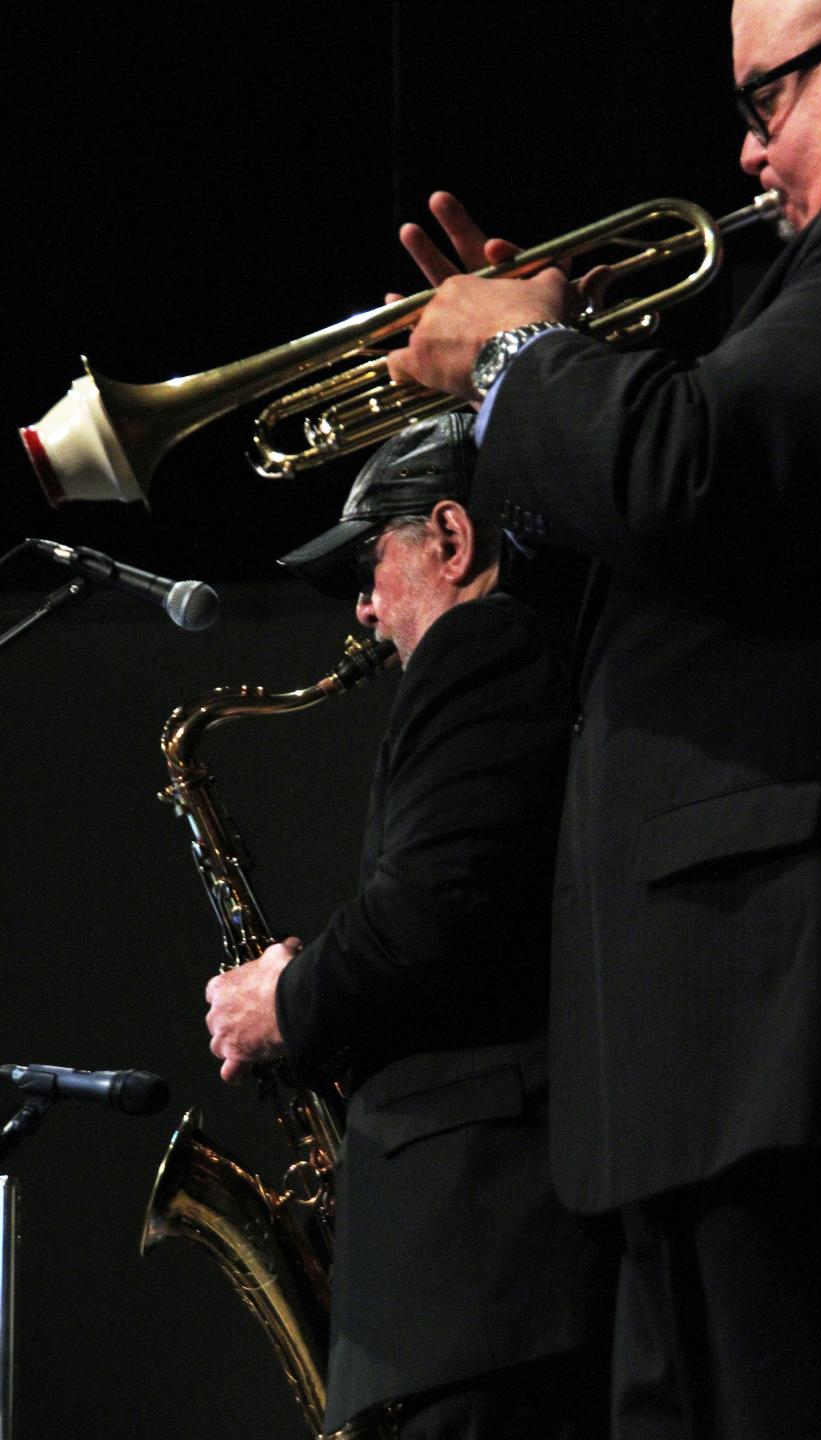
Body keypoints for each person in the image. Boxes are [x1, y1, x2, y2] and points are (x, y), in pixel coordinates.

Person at [379, 4, 821, 1438]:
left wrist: (525, 363)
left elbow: (702, 472)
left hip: (808, 1060)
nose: (749, 156)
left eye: (767, 100)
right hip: (715, 1074)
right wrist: (542, 395)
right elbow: (690, 548)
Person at [202, 412, 625, 1440]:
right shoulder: (546, 656)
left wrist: (288, 999)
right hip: (503, 1287)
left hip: (481, 1281)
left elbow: (437, 910)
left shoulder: (481, 643)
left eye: (370, 563)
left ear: (450, 538)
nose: (362, 608)